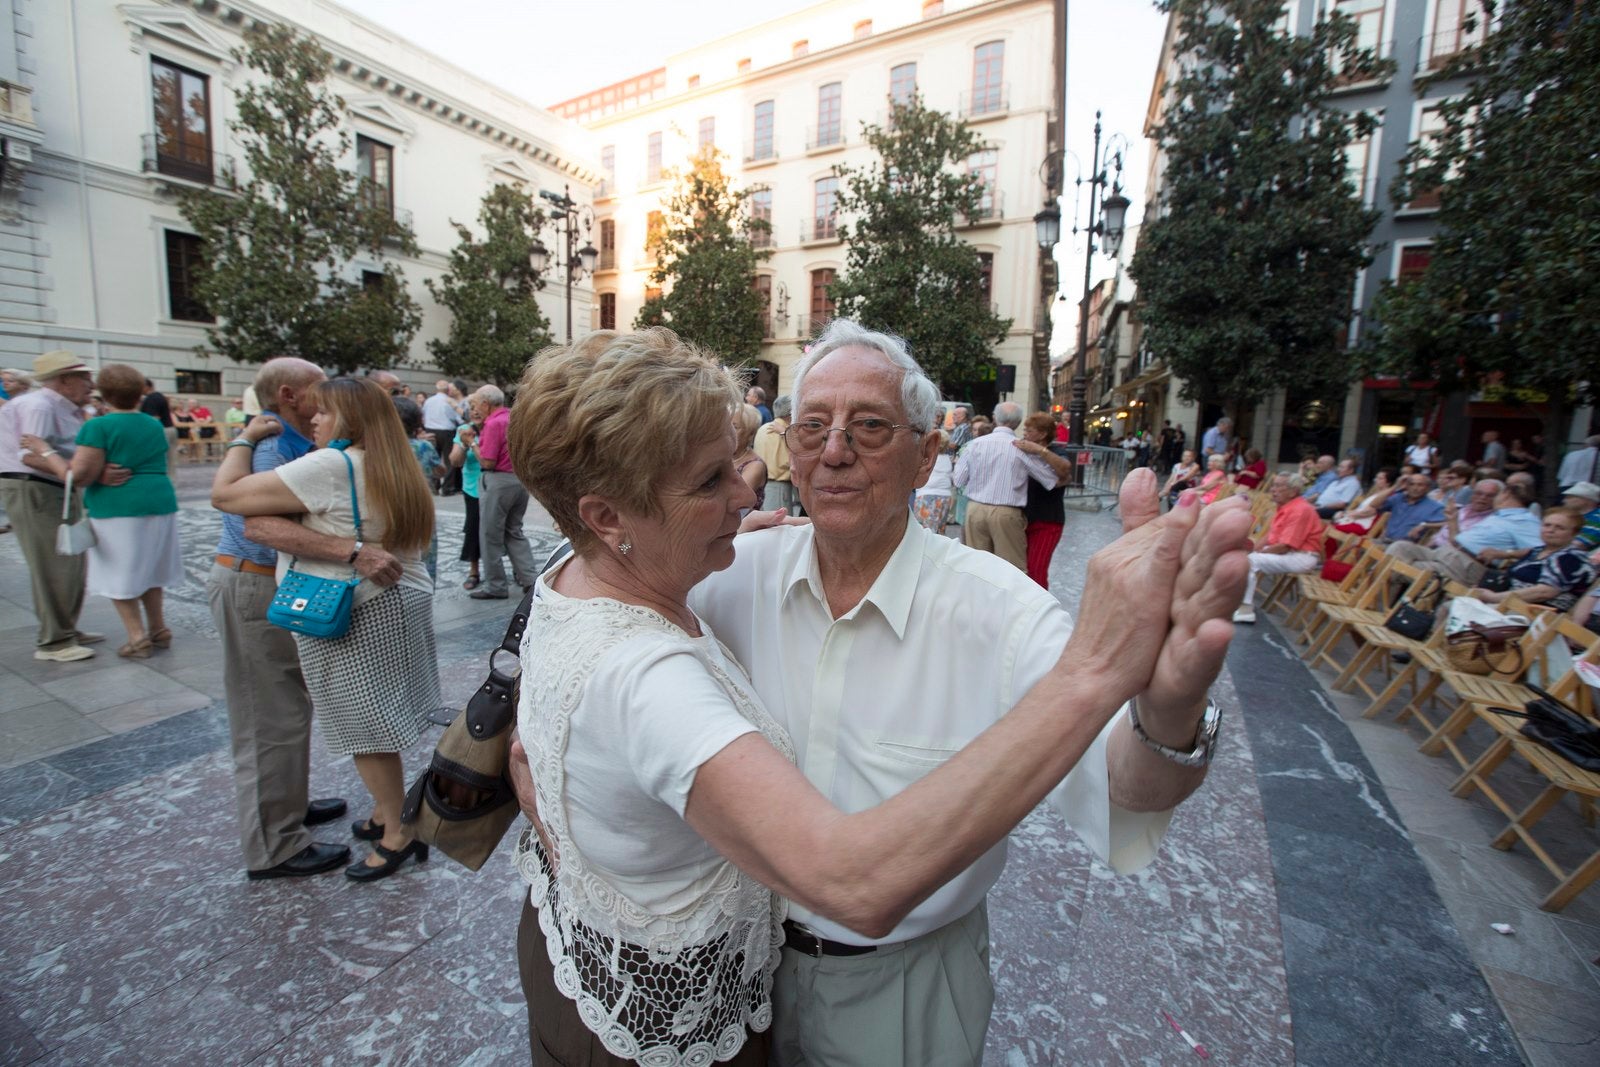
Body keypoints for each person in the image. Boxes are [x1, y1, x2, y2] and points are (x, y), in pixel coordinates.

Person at [507, 322, 1250, 1067]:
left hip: (900, 992)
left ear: (928, 454)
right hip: (744, 983)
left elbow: (1126, 790)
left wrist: (1169, 708)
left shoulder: (1004, 612)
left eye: (869, 425)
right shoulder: (722, 569)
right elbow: (603, 611)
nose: (834, 451)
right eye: (812, 426)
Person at [212, 376, 439, 882]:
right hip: (396, 599)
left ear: (349, 419)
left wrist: (243, 439)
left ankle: (399, 832)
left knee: (364, 728)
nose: (314, 420)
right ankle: (384, 812)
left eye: (324, 412)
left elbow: (225, 495)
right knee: (381, 715)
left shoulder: (332, 465)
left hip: (349, 606)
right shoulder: (394, 461)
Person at [202, 357, 357, 881]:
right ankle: (274, 845)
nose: (327, 397)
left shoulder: (287, 441)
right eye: (319, 388)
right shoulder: (269, 446)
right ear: (289, 395)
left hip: (269, 584)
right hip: (252, 583)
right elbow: (257, 527)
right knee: (268, 716)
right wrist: (351, 551)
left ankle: (287, 805)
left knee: (287, 706)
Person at [17, 364, 181, 659]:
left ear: (103, 393)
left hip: (118, 503)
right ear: (139, 393)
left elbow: (78, 476)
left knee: (119, 571)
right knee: (151, 567)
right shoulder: (152, 423)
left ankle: (137, 637)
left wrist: (45, 450)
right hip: (159, 499)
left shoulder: (98, 426)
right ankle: (159, 628)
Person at [0, 351, 125, 661]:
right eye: (85, 378)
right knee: (53, 564)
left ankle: (66, 628)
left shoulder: (67, 408)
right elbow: (30, 455)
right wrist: (86, 473)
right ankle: (54, 642)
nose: (91, 384)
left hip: (55, 485)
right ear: (64, 380)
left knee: (70, 560)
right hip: (34, 487)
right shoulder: (40, 405)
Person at [952, 400, 1061, 571]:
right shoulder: (1020, 447)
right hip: (1006, 512)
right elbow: (1050, 480)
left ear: (995, 418)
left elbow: (958, 480)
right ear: (1018, 422)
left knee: (976, 568)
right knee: (1011, 570)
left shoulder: (975, 444)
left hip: (975, 509)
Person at [1386, 480, 1543, 585]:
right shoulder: (1498, 516)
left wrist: (1504, 554)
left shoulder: (1524, 520)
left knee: (1397, 568)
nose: (1483, 499)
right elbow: (1457, 541)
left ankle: (1381, 606)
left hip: (1465, 565)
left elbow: (1541, 551)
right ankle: (1379, 604)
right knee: (1400, 547)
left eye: (1491, 496)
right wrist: (1453, 520)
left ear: (1505, 494)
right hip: (1446, 552)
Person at [1231, 473, 1325, 624]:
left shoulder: (1300, 509)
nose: (1273, 489)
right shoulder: (1286, 506)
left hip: (1301, 557)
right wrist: (1252, 549)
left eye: (1278, 486)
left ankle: (1245, 609)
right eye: (1273, 485)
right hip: (1289, 553)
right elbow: (1270, 536)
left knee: (1250, 561)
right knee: (1244, 556)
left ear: (1293, 491)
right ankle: (1234, 599)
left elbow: (1285, 546)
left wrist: (1257, 553)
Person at [472, 383, 537, 600]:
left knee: (490, 534)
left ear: (485, 403)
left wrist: (471, 444)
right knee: (514, 530)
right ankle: (530, 579)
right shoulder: (514, 418)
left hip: (499, 482)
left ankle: (496, 585)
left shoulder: (493, 423)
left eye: (476, 404)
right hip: (519, 480)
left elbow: (488, 461)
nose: (475, 408)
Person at [1471, 508, 1597, 612]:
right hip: (1504, 603)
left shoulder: (1571, 558)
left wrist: (1494, 597)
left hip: (1532, 612)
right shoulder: (1539, 550)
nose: (1551, 530)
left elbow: (1545, 592)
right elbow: (1524, 554)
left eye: (1560, 528)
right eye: (1547, 525)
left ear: (1574, 534)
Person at [1016, 411, 1075, 588]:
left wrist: (1039, 450)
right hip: (1023, 518)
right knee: (1020, 568)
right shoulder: (1022, 449)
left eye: (1029, 431)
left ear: (1042, 434)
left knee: (1036, 569)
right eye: (1025, 430)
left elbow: (1065, 469)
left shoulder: (1057, 451)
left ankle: (1039, 603)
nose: (1025, 434)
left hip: (1047, 520)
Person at [394, 396, 444, 583]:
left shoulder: (383, 448)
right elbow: (440, 471)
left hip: (393, 509)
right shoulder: (424, 446)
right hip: (422, 507)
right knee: (425, 555)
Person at [450, 394, 486, 590]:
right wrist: (465, 443)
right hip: (473, 488)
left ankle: (516, 568)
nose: (475, 411)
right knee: (473, 528)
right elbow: (455, 461)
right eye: (471, 408)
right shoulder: (464, 430)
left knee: (504, 529)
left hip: (495, 487)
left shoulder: (495, 427)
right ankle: (474, 571)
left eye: (478, 407)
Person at [754, 394, 797, 513]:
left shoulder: (763, 428)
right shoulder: (787, 432)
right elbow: (796, 456)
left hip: (763, 486)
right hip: (779, 487)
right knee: (780, 522)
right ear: (791, 413)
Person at [1375, 472, 1448, 542]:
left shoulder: (1434, 507)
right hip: (1384, 540)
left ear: (1427, 488)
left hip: (1405, 545)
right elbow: (1374, 505)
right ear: (1407, 486)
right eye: (1411, 484)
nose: (1415, 488)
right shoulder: (1398, 498)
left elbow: (1447, 524)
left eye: (1420, 485)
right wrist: (1395, 486)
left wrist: (1425, 525)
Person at [422, 378, 464, 495]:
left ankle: (434, 486)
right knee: (449, 460)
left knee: (432, 458)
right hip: (446, 431)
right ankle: (447, 488)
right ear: (448, 390)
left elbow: (423, 415)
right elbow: (457, 418)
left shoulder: (429, 401)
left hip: (430, 430)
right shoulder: (449, 401)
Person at [911, 429, 956, 534]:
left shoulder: (925, 459)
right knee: (940, 530)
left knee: (924, 531)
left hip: (926, 494)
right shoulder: (949, 459)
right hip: (945, 496)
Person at [1330, 468, 1397, 534]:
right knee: (1329, 526)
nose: (1375, 480)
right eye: (1376, 477)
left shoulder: (1387, 496)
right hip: (1355, 520)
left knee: (1332, 529)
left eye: (1380, 478)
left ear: (1389, 482)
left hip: (1363, 524)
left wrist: (1347, 514)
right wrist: (1345, 513)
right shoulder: (1375, 493)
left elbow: (1370, 512)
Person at [733, 402, 768, 503]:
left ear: (750, 434)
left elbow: (735, 499)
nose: (728, 431)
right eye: (726, 425)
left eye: (735, 427)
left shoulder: (755, 465)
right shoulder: (723, 457)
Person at [1562, 481, 1600, 551]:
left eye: (1570, 497)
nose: (1564, 500)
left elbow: (1579, 544)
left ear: (1586, 500)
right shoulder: (1570, 516)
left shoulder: (1597, 517)